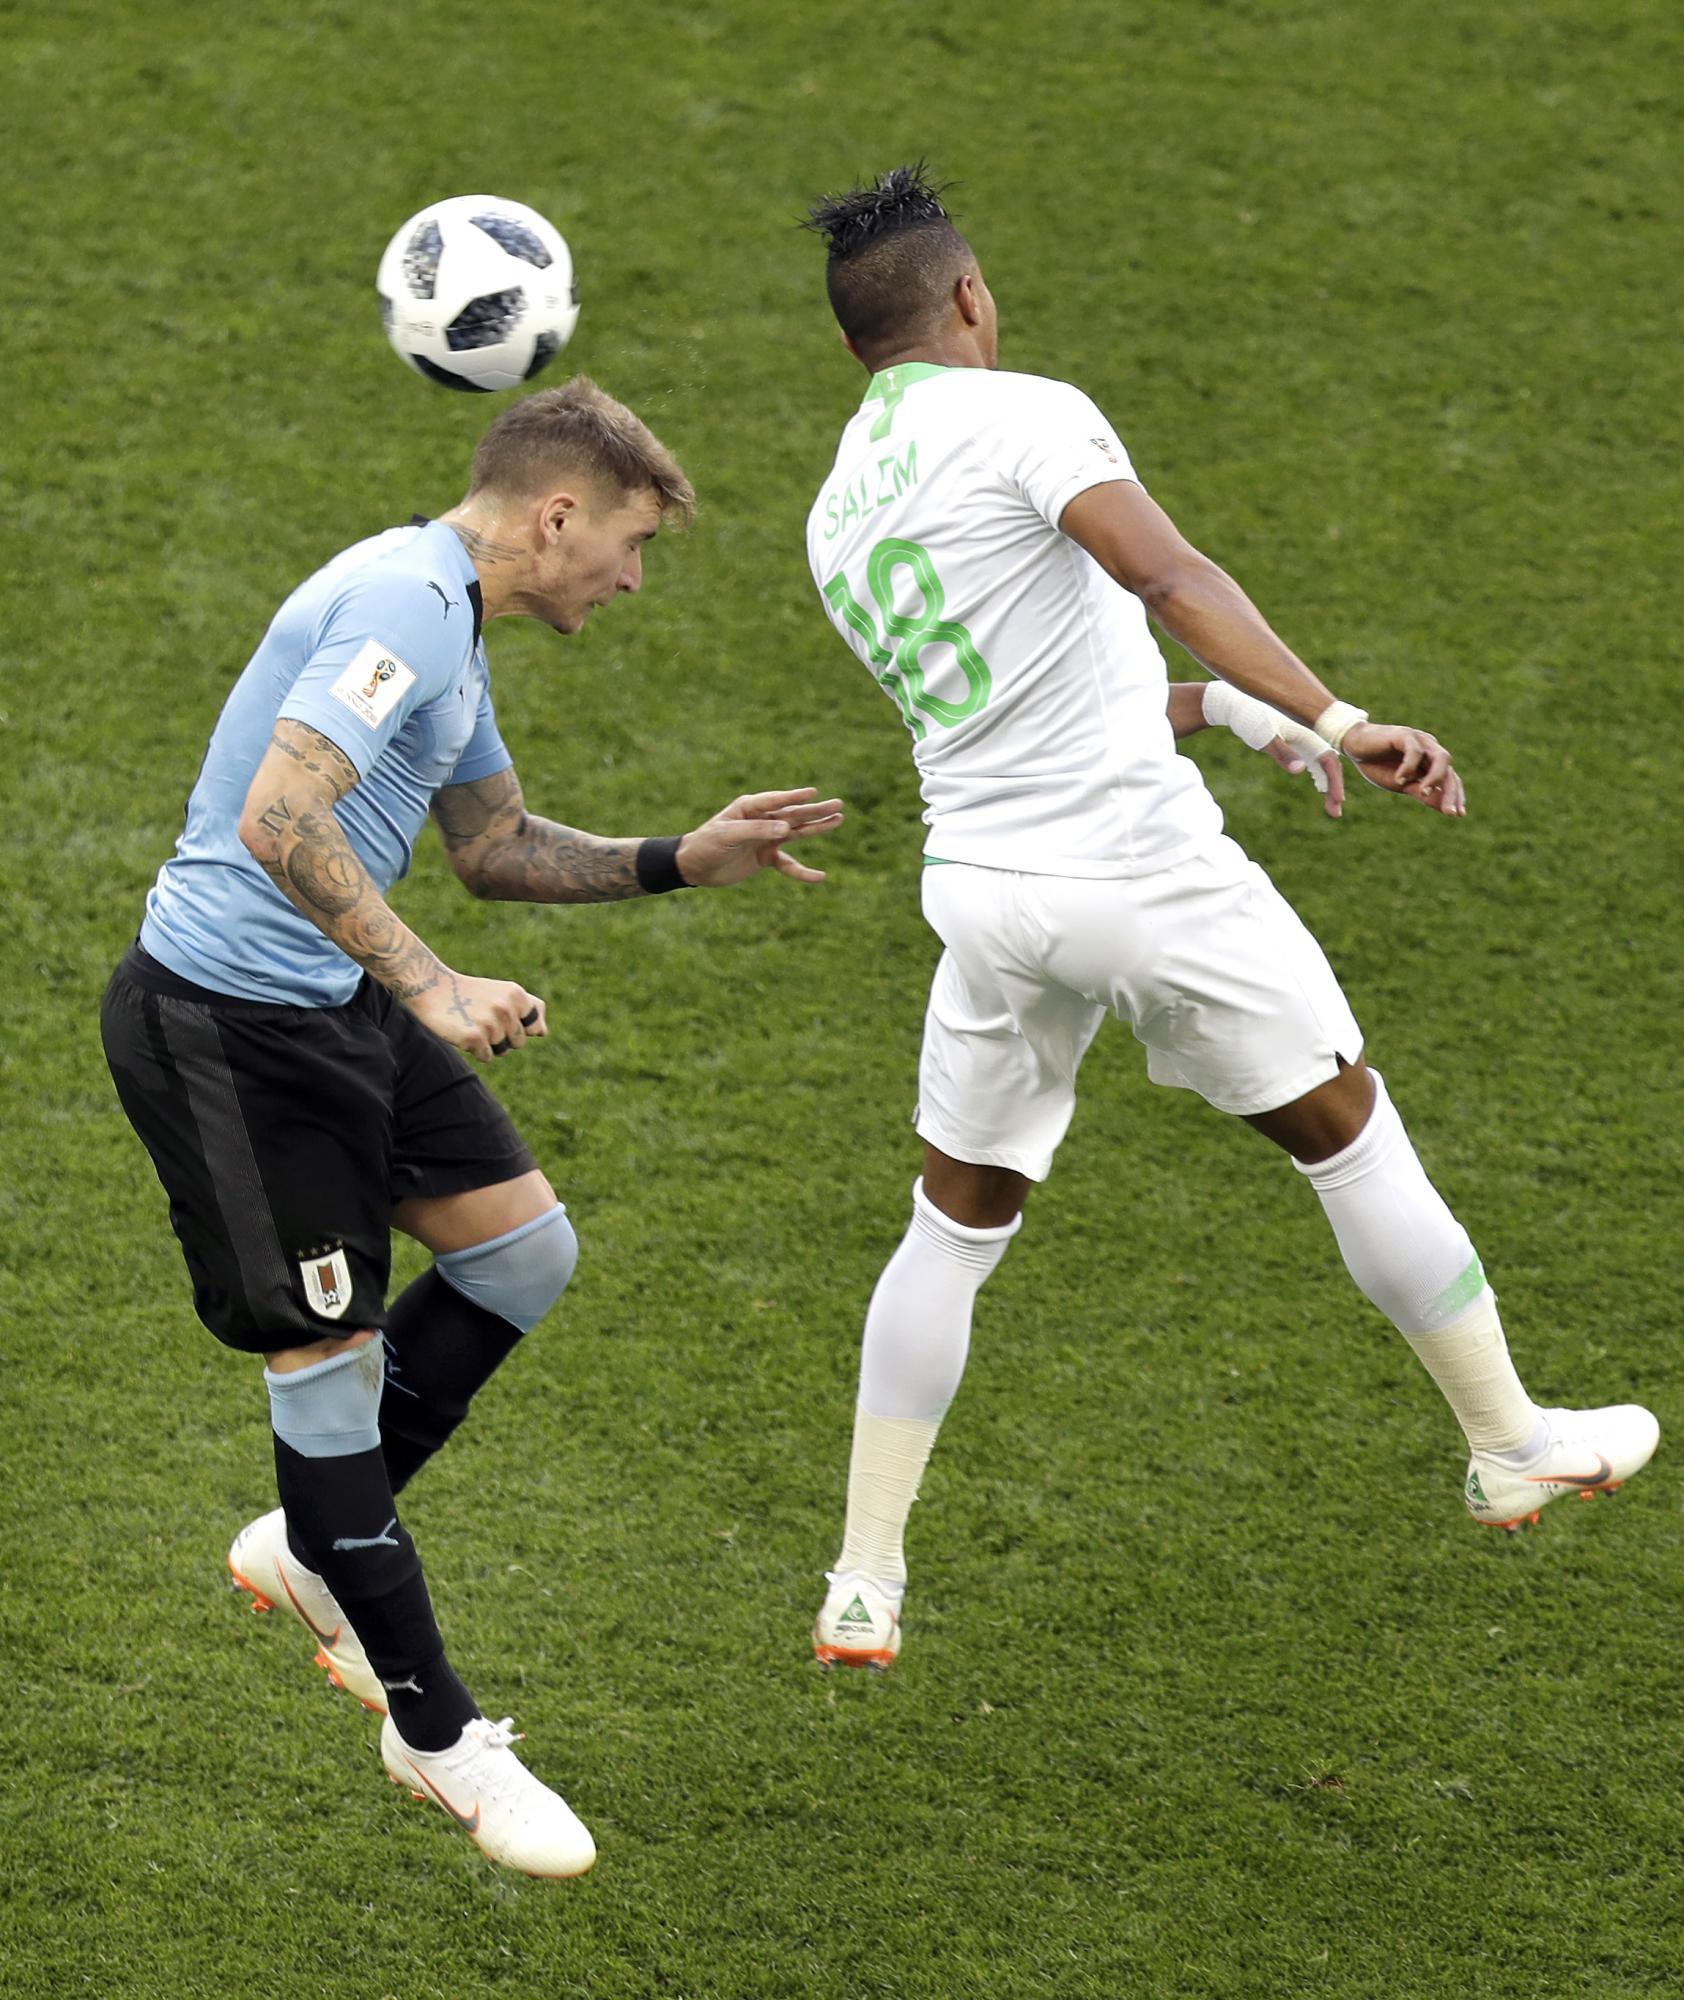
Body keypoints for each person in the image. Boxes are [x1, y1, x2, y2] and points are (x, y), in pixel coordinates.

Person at [798, 167, 1655, 1670]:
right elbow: (1165, 571)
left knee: (954, 1221)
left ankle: (865, 1576)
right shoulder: (1025, 413)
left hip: (985, 898)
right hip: (1135, 874)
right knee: (1348, 1129)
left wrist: (1254, 724)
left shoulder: (836, 513)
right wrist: (1341, 711)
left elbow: (1048, 693)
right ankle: (1509, 1438)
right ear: (971, 299)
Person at [101, 377, 843, 1868]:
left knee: (522, 1251)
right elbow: (277, 818)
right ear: (555, 516)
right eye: (628, 545)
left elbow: (494, 846)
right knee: (329, 1363)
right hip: (230, 1031)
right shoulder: (406, 607)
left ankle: (314, 1548)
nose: (631, 579)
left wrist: (679, 860)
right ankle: (432, 1729)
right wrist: (429, 982)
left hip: (326, 997)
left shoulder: (450, 620)